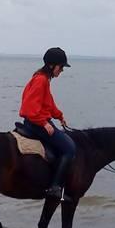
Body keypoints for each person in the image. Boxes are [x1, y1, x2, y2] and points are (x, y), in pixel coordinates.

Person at [19, 47, 77, 199]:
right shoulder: (41, 80)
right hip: (36, 123)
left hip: (39, 121)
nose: (62, 70)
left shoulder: (42, 79)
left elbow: (48, 104)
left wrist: (59, 116)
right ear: (52, 65)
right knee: (70, 148)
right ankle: (55, 187)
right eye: (61, 67)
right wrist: (44, 123)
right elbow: (29, 107)